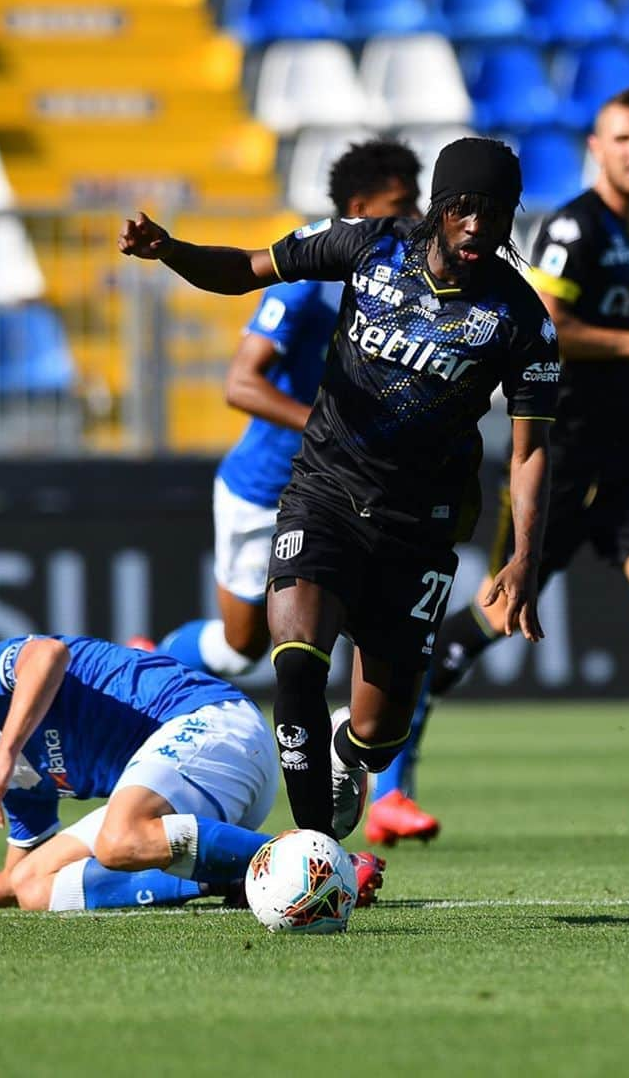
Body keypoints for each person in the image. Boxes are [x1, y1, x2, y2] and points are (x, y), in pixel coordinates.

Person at [119, 136, 561, 841]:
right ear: (442, 209)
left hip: (419, 527)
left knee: (378, 736)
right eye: (466, 208)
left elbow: (532, 450)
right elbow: (244, 268)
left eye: (496, 212)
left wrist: (524, 556)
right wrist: (170, 249)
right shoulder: (369, 245)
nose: (479, 225)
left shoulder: (522, 320)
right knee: (294, 663)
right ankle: (313, 851)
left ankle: (343, 754)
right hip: (323, 494)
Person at [399, 86, 629, 836]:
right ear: (597, 145)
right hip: (559, 446)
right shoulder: (572, 228)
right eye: (621, 138)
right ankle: (385, 739)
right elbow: (547, 322)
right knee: (497, 612)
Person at [147, 139, 439, 846]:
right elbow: (240, 383)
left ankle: (388, 789)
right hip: (267, 485)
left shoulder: (413, 281)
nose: (419, 216)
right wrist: (330, 427)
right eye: (404, 205)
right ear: (360, 210)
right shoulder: (308, 279)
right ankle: (157, 661)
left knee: (390, 638)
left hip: (359, 493)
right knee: (245, 644)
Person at [0, 631, 383, 913]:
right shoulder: (10, 767)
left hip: (216, 725)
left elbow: (48, 654)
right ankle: (241, 873)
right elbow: (15, 877)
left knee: (118, 837)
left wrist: (5, 756)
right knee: (36, 887)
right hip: (192, 799)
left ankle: (310, 862)